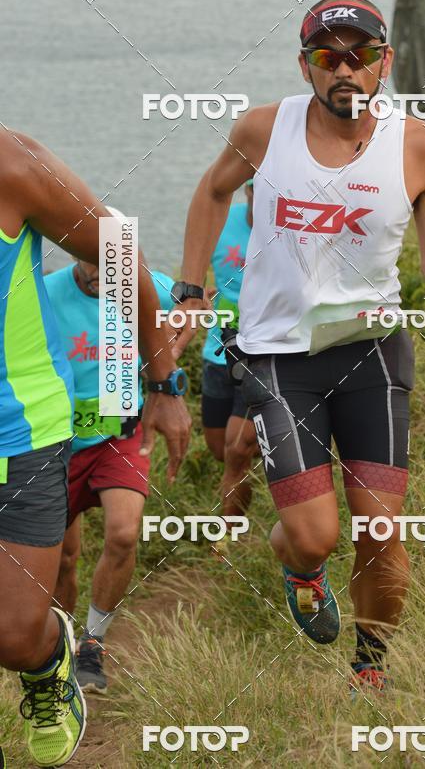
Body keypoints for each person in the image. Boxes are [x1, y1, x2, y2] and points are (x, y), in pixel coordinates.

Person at [172, 0, 425, 692]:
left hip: (372, 351)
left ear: (384, 63)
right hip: (279, 356)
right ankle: (301, 571)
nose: (344, 70)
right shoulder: (263, 129)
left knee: (381, 531)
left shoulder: (420, 146)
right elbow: (212, 192)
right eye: (326, 56)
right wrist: (190, 288)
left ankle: (369, 669)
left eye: (359, 55)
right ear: (304, 65)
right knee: (313, 536)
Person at [0, 128, 191, 766]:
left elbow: (123, 257)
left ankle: (59, 651)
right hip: (69, 437)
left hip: (26, 431)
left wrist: (164, 383)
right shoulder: (60, 290)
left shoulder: (11, 162)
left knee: (15, 633)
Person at [45, 208, 175, 695]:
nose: (105, 271)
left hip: (120, 431)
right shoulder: (45, 294)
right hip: (56, 442)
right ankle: (59, 647)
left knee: (123, 533)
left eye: (116, 260)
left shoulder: (141, 285)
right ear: (74, 250)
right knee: (63, 559)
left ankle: (93, 644)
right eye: (94, 258)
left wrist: (168, 360)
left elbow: (194, 303)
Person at [198, 181, 258, 532]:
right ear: (246, 190)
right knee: (220, 449)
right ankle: (271, 454)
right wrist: (196, 294)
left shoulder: (288, 228)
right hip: (217, 352)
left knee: (236, 451)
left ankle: (229, 537)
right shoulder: (221, 222)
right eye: (255, 189)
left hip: (261, 356)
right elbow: (194, 270)